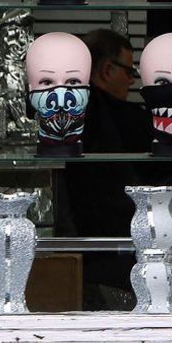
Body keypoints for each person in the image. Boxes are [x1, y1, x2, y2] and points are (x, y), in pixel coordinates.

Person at [60, 28, 148, 309]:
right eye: (129, 71)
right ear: (107, 69)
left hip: (86, 246)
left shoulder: (66, 110)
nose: (132, 80)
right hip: (111, 253)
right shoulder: (117, 116)